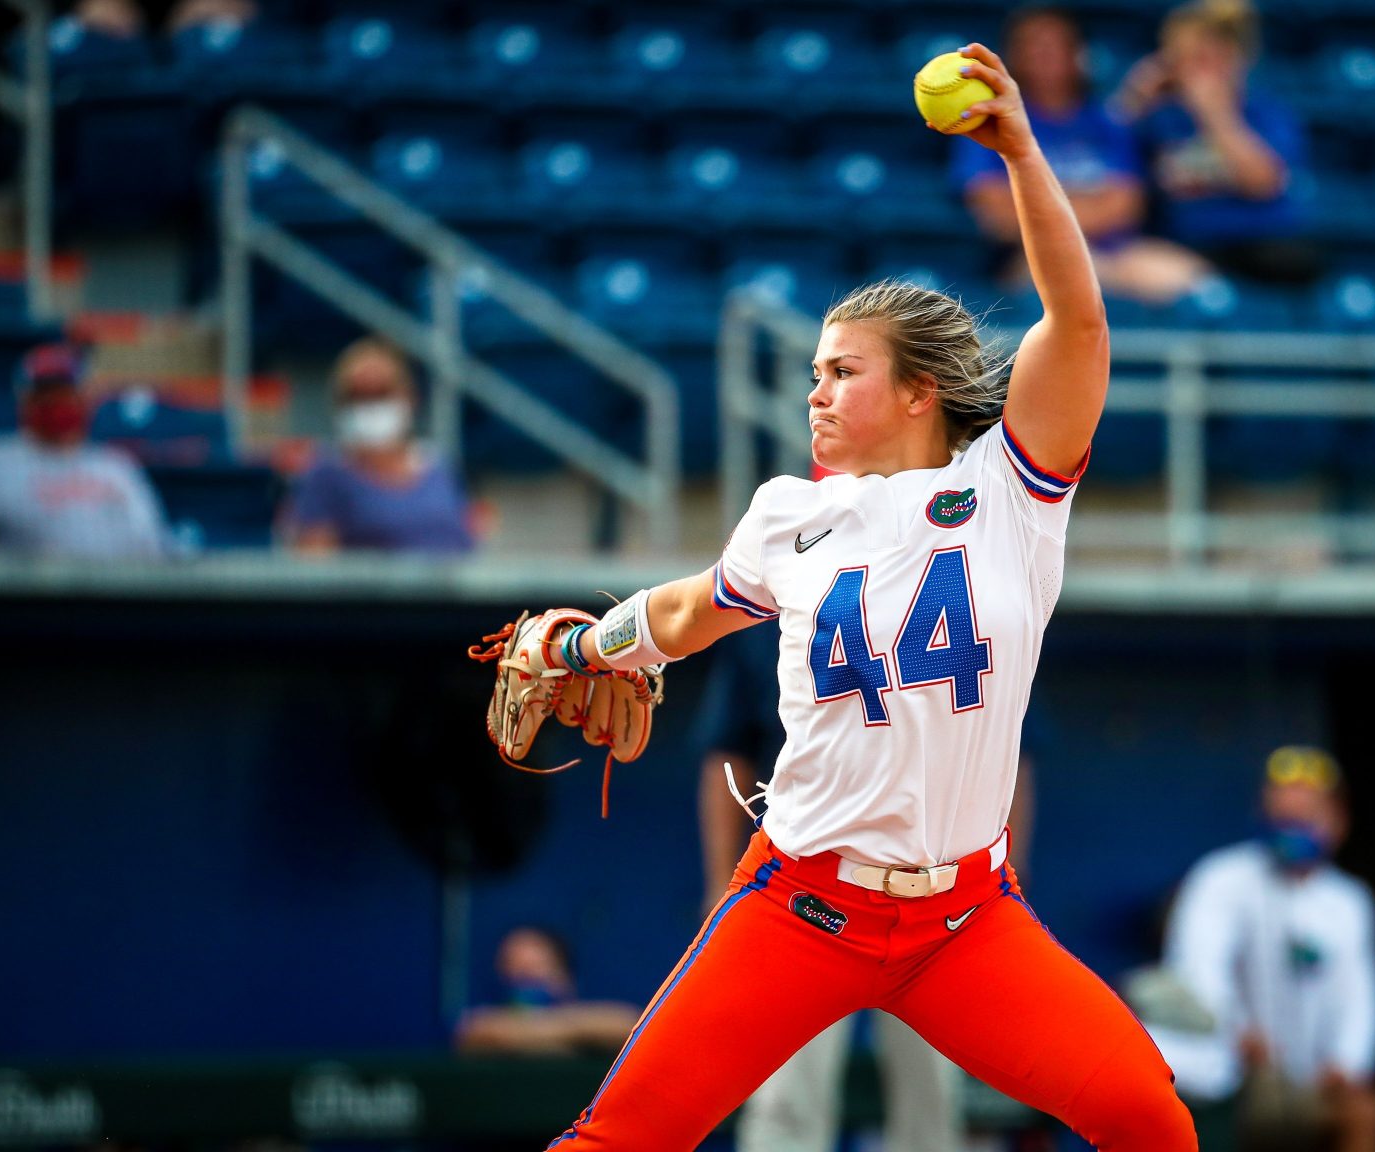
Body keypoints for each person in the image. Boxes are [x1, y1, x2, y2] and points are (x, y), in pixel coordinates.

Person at [520, 43, 1195, 1150]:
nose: (815, 391)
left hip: (964, 923)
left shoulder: (1008, 491)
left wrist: (1023, 152)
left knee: (1147, 1119)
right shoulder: (790, 509)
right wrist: (596, 644)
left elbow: (1077, 327)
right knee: (615, 1139)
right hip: (800, 904)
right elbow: (692, 613)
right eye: (814, 372)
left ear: (920, 391)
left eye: (842, 370)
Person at [692, 624, 1038, 1152]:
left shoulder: (957, 587)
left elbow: (1012, 751)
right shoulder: (782, 602)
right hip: (806, 880)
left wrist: (1004, 877)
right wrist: (722, 883)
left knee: (933, 1092)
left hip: (935, 877)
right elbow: (728, 752)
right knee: (786, 1088)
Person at [1157, 746, 1375, 1152]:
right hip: (1228, 1073)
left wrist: (1347, 1063)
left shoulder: (1349, 900)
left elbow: (1362, 999)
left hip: (1308, 1081)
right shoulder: (1222, 876)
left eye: (1305, 818)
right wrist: (1237, 1028)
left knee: (1367, 1110)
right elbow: (1198, 970)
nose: (1292, 830)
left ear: (1336, 821)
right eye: (1283, 818)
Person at [956, 6, 1211, 305]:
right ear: (1013, 54)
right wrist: (1088, 205)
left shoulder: (1108, 122)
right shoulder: (991, 123)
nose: (1044, 54)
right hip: (1032, 257)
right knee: (1071, 278)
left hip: (1118, 254)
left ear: (1077, 53)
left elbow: (1125, 205)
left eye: (1055, 44)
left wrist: (1041, 209)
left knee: (1199, 283)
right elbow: (998, 215)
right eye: (1033, 45)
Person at [1110, 0, 1316, 285]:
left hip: (1263, 246)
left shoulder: (1265, 112)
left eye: (1205, 58)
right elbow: (1104, 158)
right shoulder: (1160, 120)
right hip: (1187, 248)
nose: (1195, 71)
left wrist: (1216, 115)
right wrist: (1133, 98)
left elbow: (1263, 183)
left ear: (1233, 57)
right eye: (1184, 59)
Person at [282, 336, 479, 555]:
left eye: (382, 393)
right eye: (357, 396)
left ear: (410, 398)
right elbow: (314, 569)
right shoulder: (325, 475)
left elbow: (464, 542)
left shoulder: (439, 467)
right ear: (339, 405)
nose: (370, 406)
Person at [0, 342, 167, 560]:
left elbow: (154, 548)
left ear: (84, 399)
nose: (57, 403)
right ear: (25, 401)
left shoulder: (116, 466)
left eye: (66, 393)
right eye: (45, 394)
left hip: (114, 589)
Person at [455, 927, 642, 1056]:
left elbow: (629, 1026)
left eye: (534, 969)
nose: (524, 981)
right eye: (515, 970)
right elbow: (473, 1031)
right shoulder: (482, 1026)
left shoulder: (596, 1021)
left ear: (565, 978)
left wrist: (536, 1029)